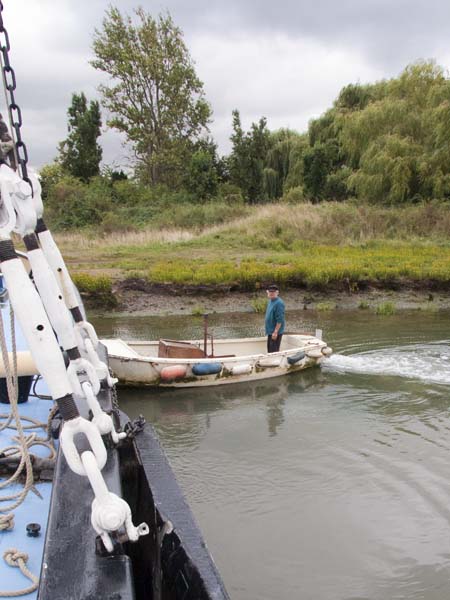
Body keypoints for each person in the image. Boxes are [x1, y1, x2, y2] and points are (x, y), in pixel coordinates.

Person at [264, 284, 285, 353]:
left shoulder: (279, 303)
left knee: (273, 352)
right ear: (268, 292)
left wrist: (275, 332)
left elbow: (280, 319)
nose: (271, 293)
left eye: (273, 292)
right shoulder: (271, 300)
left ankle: (275, 363)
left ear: (277, 293)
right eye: (270, 292)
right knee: (269, 351)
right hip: (270, 331)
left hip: (275, 332)